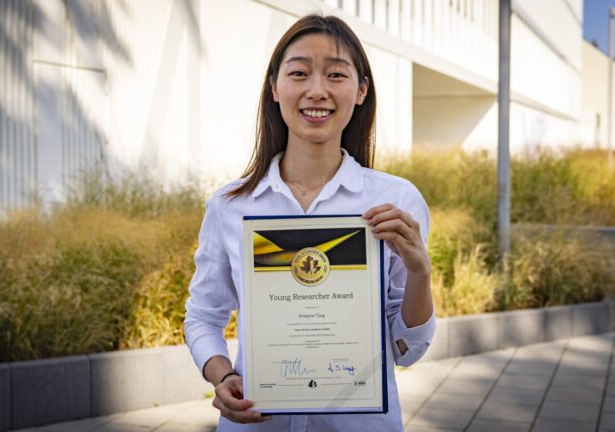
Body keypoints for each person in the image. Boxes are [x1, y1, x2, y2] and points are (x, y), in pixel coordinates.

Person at [184, 14, 436, 432]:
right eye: (299, 73)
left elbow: (406, 350)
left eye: (336, 74)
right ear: (274, 87)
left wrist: (419, 272)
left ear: (361, 90)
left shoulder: (396, 201)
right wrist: (222, 376)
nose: (317, 90)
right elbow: (203, 316)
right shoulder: (230, 206)